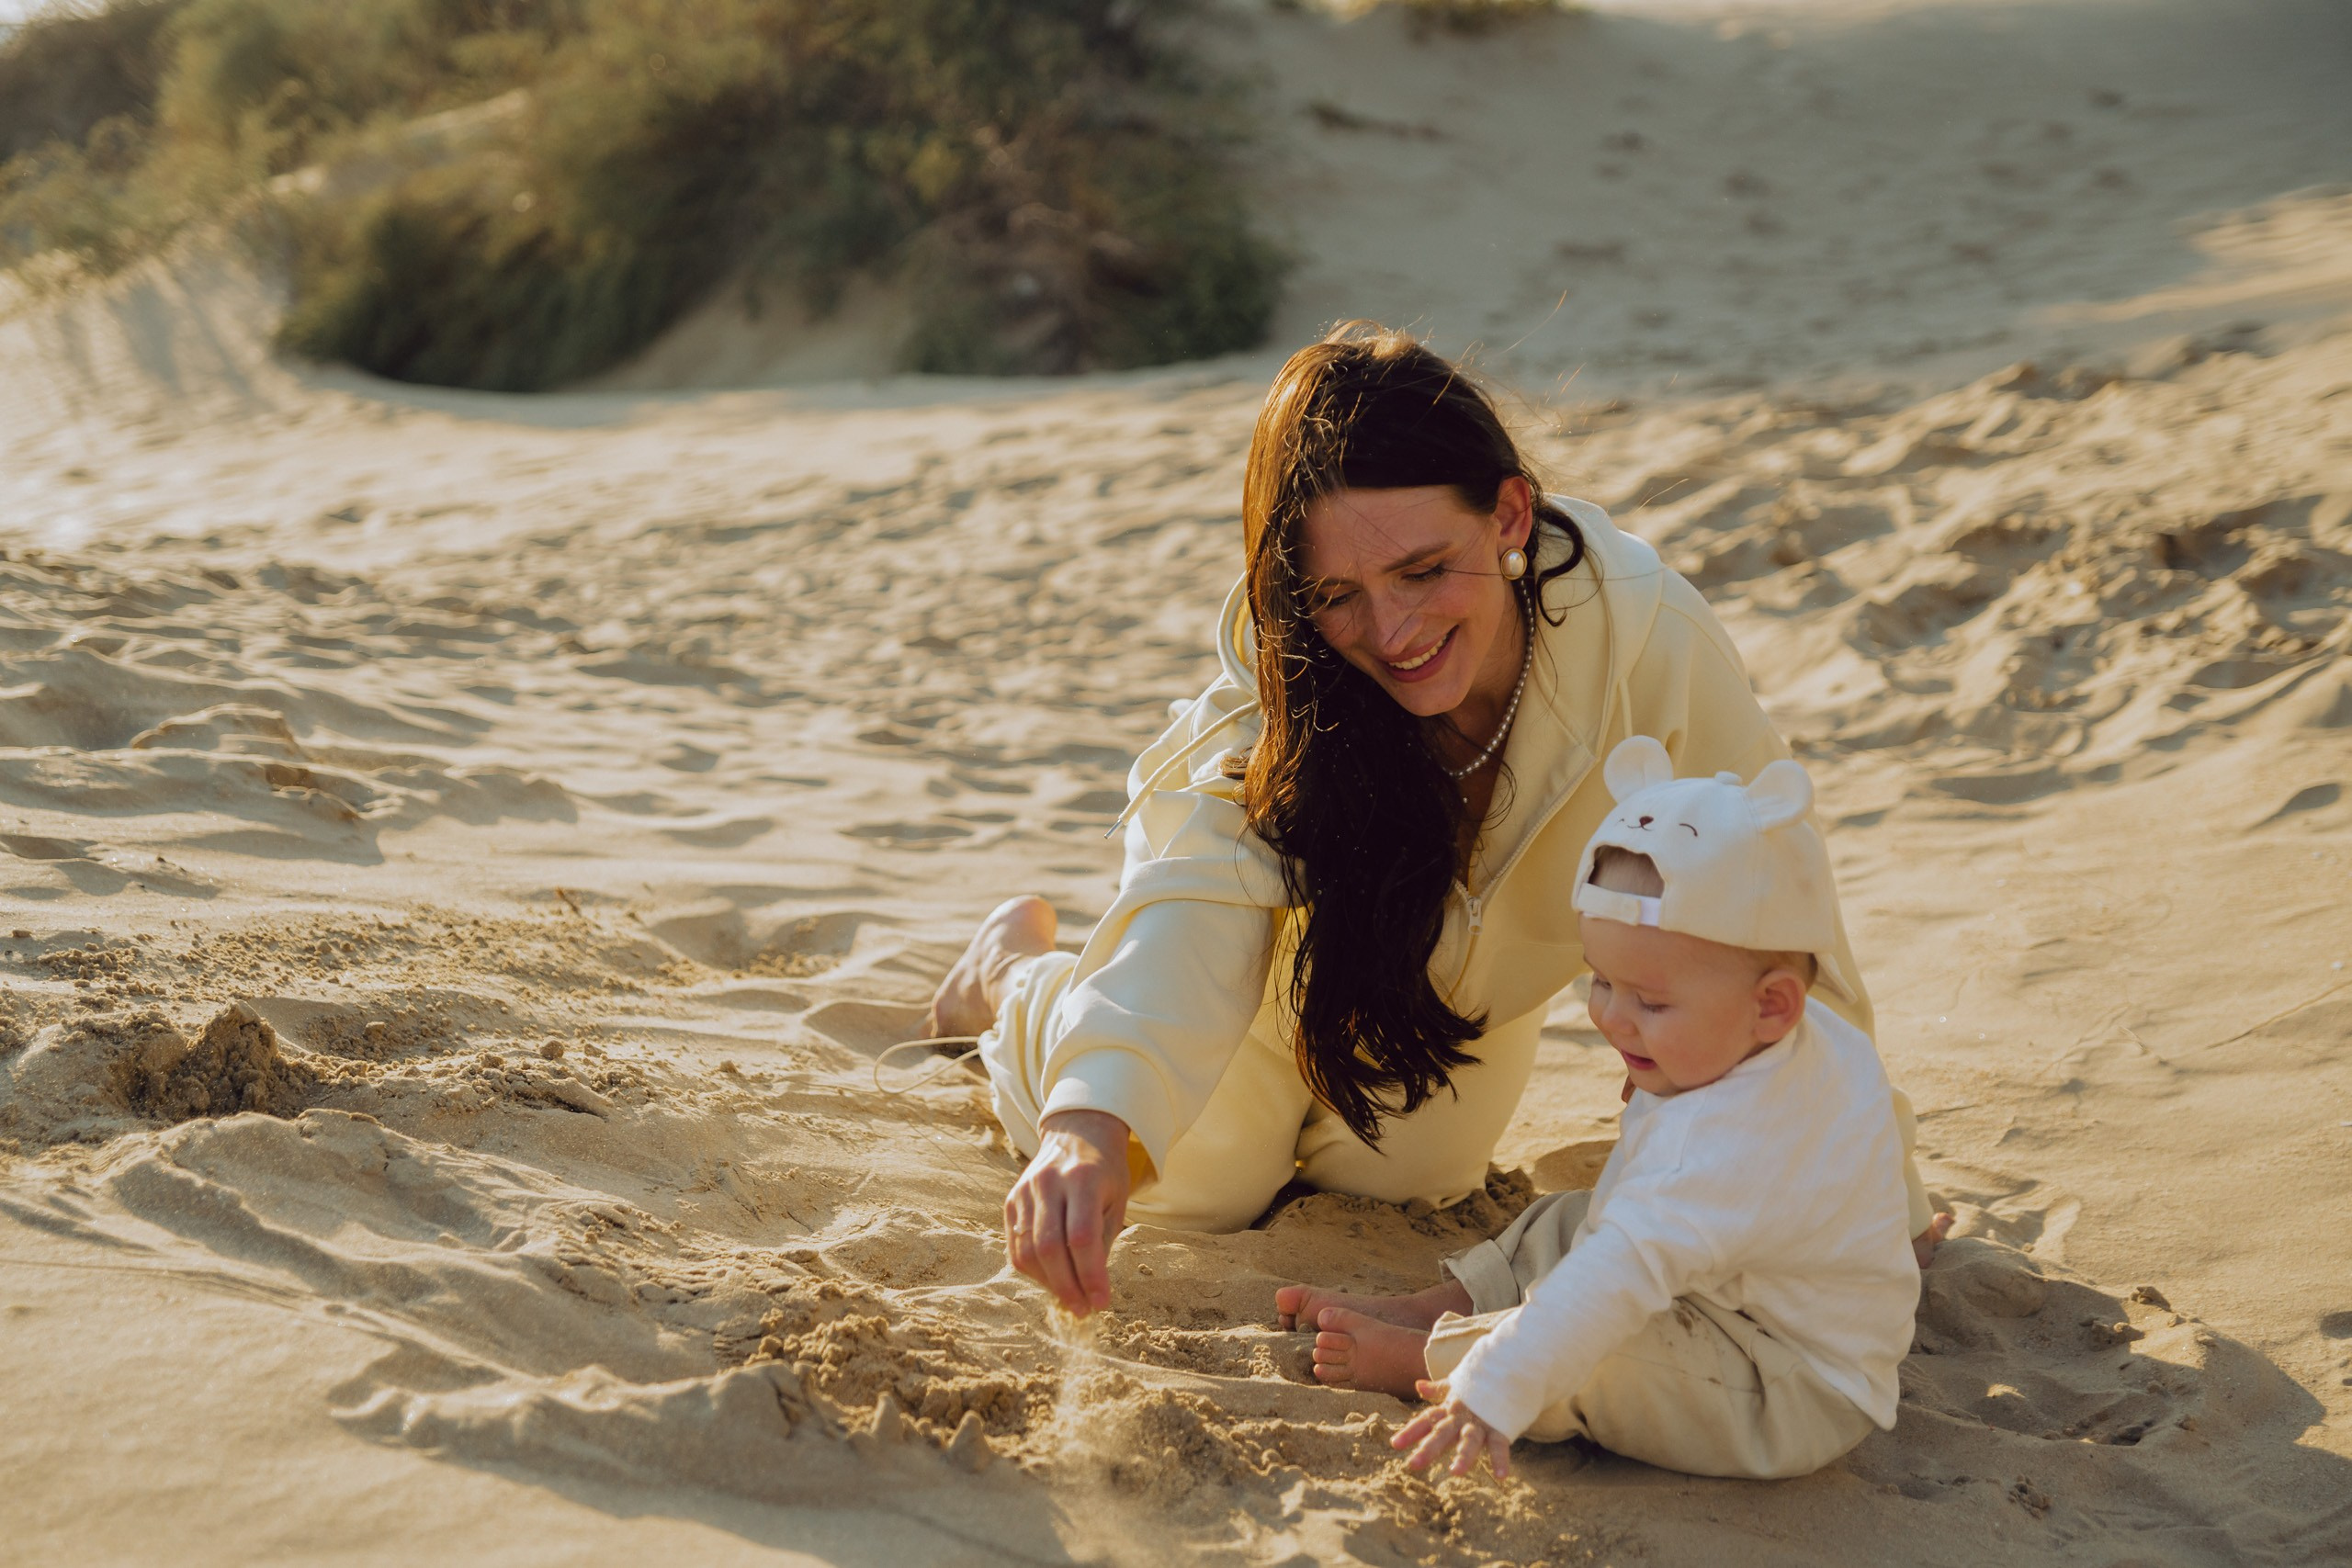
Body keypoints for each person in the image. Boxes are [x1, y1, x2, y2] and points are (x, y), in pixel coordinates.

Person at [925, 322, 1947, 1317]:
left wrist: (1872, 1187)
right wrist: (1091, 1125)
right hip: (1262, 1002)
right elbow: (1193, 901)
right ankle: (1010, 981)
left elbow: (1775, 893)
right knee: (1195, 1190)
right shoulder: (1283, 671)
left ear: (1508, 515)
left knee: (1406, 1185)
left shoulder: (1650, 634)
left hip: (1452, 1026)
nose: (1392, 632)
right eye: (1339, 594)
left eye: (1420, 571)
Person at [1295, 738, 1917, 1482]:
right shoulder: (1798, 1044)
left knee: (1608, 1343)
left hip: (1786, 1382)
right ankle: (1443, 1305)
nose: (1614, 1019)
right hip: (1725, 1277)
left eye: (1652, 1001)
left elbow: (1618, 1274)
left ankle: (1441, 1361)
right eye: (1603, 982)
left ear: (1771, 1005)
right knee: (1568, 1220)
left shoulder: (1720, 1153)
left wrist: (1497, 1392)